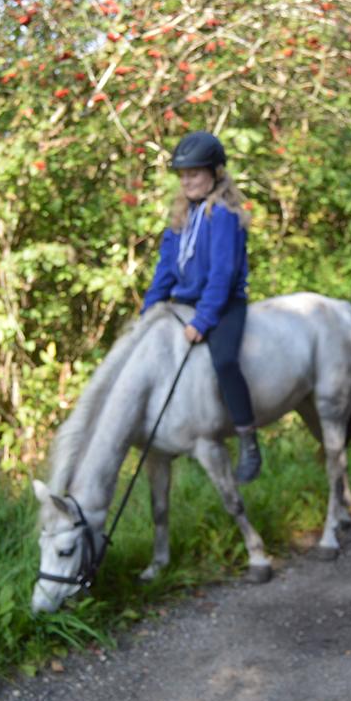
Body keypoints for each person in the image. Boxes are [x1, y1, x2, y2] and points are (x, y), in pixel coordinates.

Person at [142, 131, 261, 483]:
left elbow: (222, 275)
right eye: (183, 175)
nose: (188, 181)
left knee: (224, 361)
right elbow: (164, 269)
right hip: (184, 302)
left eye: (194, 173)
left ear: (215, 173)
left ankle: (248, 440)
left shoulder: (223, 215)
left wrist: (205, 320)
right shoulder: (181, 217)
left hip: (223, 305)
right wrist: (150, 311)